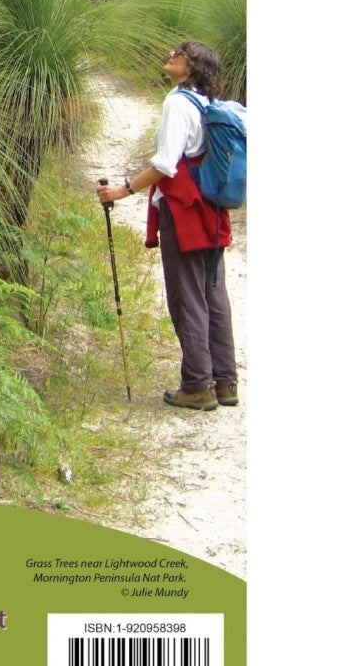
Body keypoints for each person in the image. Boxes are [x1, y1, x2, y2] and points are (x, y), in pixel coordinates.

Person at [96, 40, 238, 411]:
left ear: (193, 68)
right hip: (211, 207)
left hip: (184, 210)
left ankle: (197, 386)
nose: (172, 55)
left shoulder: (178, 102)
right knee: (213, 294)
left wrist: (123, 190)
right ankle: (224, 382)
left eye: (181, 54)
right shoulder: (206, 102)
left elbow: (165, 165)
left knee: (187, 296)